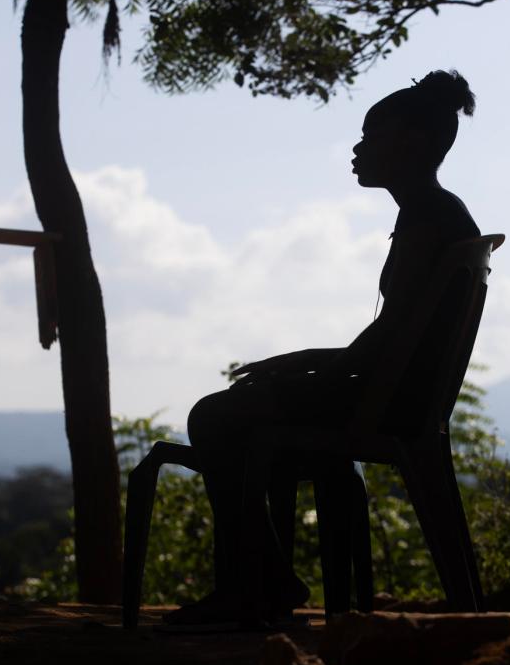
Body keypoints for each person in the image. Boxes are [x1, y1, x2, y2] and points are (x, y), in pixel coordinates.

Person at [168, 70, 481, 626]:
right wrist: (302, 365)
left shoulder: (429, 218)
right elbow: (395, 334)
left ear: (410, 142)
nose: (358, 150)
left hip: (382, 403)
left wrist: (308, 374)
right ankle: (264, 580)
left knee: (213, 416)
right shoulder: (435, 213)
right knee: (244, 414)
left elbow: (387, 339)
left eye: (371, 137)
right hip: (398, 398)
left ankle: (257, 586)